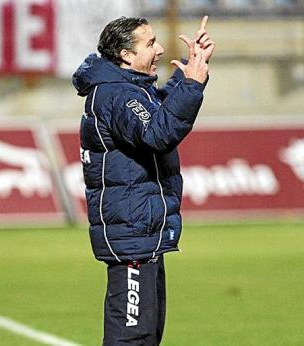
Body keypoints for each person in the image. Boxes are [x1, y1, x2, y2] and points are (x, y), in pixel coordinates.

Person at [72, 15, 214, 345]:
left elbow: (157, 114)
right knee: (132, 339)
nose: (161, 49)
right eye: (150, 44)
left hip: (141, 232)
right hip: (133, 235)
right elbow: (157, 133)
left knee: (145, 337)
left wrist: (188, 73)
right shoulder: (117, 96)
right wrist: (191, 85)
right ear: (124, 54)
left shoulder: (126, 91)